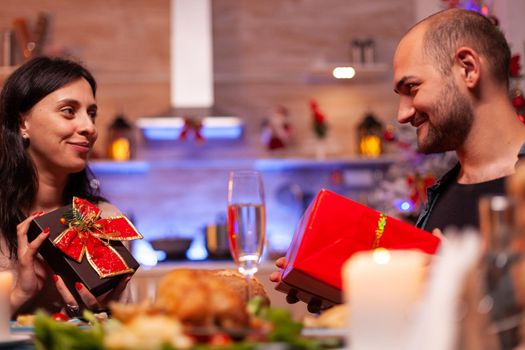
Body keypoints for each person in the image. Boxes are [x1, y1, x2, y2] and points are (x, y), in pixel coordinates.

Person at [271, 8, 525, 309]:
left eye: (412, 88)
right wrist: (343, 298)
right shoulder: (441, 193)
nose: (402, 114)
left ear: (468, 69)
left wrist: (468, 283)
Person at [0, 56, 130, 318]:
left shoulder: (104, 219)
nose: (89, 128)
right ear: (22, 123)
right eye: (68, 111)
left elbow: (127, 332)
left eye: (91, 114)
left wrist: (96, 313)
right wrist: (19, 295)